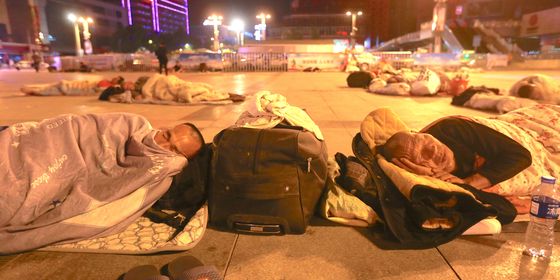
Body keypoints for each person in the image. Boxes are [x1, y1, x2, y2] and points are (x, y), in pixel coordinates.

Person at [0, 113, 205, 253]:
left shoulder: (161, 175)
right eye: (167, 135)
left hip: (52, 179)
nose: (161, 144)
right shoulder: (132, 124)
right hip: (30, 148)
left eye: (174, 150)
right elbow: (79, 127)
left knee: (17, 195)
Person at [378, 104, 560, 213]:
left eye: (425, 140)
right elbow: (504, 210)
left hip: (531, 130)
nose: (433, 149)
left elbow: (520, 155)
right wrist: (459, 186)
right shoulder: (438, 181)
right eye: (424, 156)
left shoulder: (450, 129)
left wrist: (470, 182)